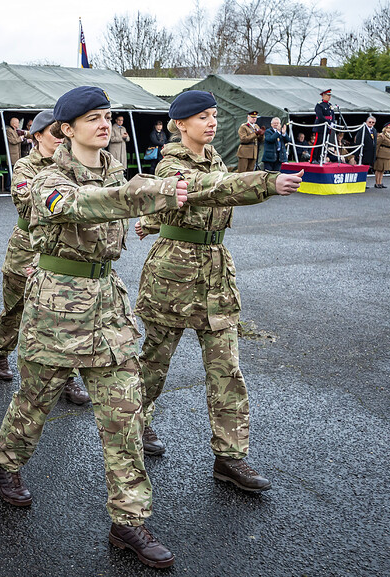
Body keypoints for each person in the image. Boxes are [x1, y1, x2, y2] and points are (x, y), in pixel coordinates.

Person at [0, 86, 193, 570]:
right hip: (56, 309)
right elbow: (79, 204)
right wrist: (143, 193)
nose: (106, 124)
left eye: (108, 117)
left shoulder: (114, 169)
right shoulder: (40, 175)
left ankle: (129, 520)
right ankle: (5, 463)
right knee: (34, 402)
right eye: (93, 118)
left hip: (106, 307)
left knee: (124, 413)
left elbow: (135, 200)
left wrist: (261, 185)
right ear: (66, 128)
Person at [134, 91, 302, 494]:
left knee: (227, 370)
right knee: (154, 364)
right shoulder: (171, 160)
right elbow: (204, 188)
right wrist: (266, 181)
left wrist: (153, 222)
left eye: (213, 115)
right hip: (173, 275)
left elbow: (201, 200)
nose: (211, 122)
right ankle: (133, 429)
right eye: (202, 117)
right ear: (180, 124)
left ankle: (230, 457)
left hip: (215, 271)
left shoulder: (215, 158)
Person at [0, 110, 90, 404]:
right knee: (15, 309)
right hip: (27, 248)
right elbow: (27, 206)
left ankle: (66, 377)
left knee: (61, 315)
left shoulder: (74, 165)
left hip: (60, 250)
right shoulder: (25, 167)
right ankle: (1, 350)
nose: (60, 140)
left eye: (63, 134)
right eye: (54, 134)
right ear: (37, 137)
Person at [312, 89, 335, 164]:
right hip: (320, 126)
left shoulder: (330, 105)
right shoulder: (319, 105)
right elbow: (320, 116)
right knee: (318, 142)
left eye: (330, 96)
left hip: (327, 127)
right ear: (323, 96)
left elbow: (332, 115)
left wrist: (332, 122)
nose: (329, 97)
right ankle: (313, 158)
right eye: (328, 95)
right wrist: (328, 122)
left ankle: (319, 158)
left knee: (323, 143)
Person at [373, 121, 390, 188]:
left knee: (383, 170)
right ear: (386, 128)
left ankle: (380, 182)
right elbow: (377, 145)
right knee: (378, 169)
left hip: (387, 155)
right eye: (389, 128)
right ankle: (377, 183)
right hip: (381, 155)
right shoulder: (382, 136)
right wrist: (375, 154)